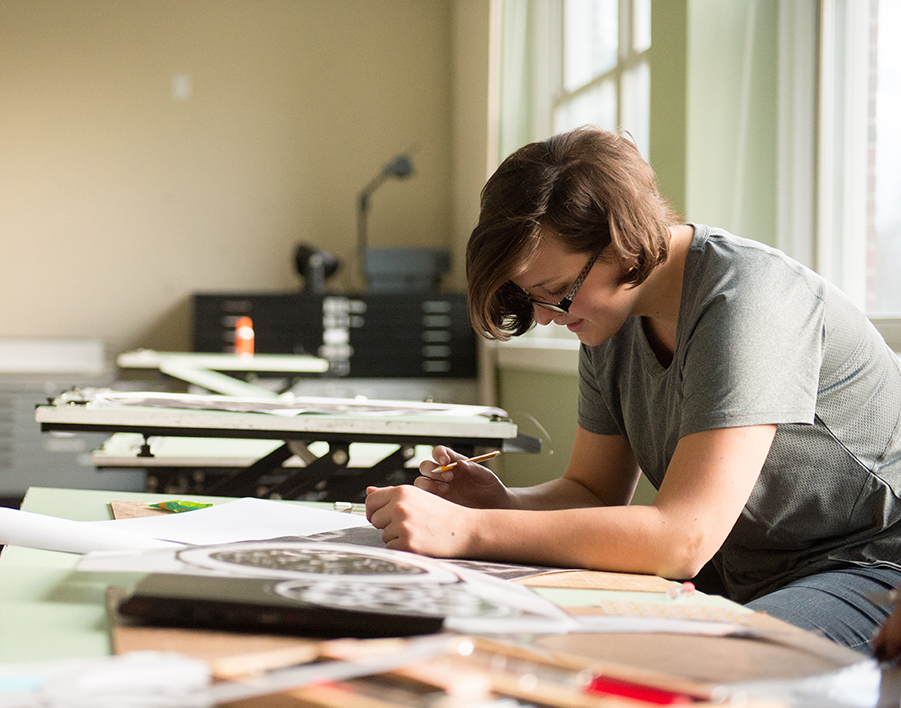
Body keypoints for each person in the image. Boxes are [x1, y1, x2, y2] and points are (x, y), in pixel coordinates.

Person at [365, 126, 901, 655]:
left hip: (869, 564)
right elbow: (592, 491)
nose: (546, 317)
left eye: (554, 292)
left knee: (708, 660)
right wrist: (505, 503)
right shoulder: (609, 317)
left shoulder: (748, 303)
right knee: (533, 635)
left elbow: (681, 541)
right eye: (530, 298)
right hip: (746, 568)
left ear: (622, 244)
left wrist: (471, 530)